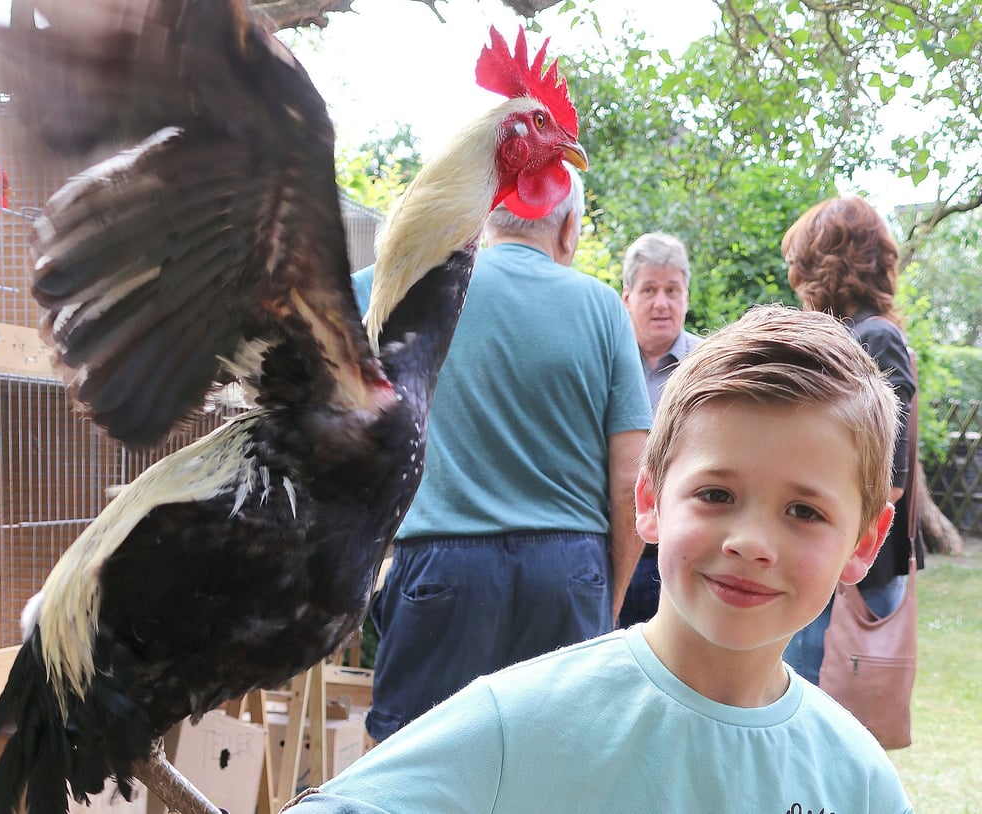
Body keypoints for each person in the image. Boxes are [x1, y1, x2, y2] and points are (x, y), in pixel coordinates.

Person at [285, 304, 912, 813]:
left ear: (864, 541)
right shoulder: (518, 722)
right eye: (716, 494)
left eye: (804, 511)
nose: (751, 542)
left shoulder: (858, 779)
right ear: (650, 500)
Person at [350, 167, 651, 743]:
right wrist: (603, 602)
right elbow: (630, 482)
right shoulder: (605, 309)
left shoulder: (420, 288)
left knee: (412, 772)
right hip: (567, 574)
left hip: (443, 572)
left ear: (487, 218)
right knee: (557, 772)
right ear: (569, 231)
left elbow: (320, 312)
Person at [782, 194, 925, 685]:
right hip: (833, 560)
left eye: (799, 263)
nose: (794, 279)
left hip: (852, 572)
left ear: (823, 263)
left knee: (818, 725)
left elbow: (891, 481)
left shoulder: (875, 338)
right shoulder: (851, 336)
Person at [619, 232, 703, 626]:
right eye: (649, 289)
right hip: (615, 542)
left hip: (688, 545)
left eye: (672, 290)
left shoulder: (710, 365)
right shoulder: (604, 363)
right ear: (627, 298)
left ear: (687, 296)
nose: (661, 303)